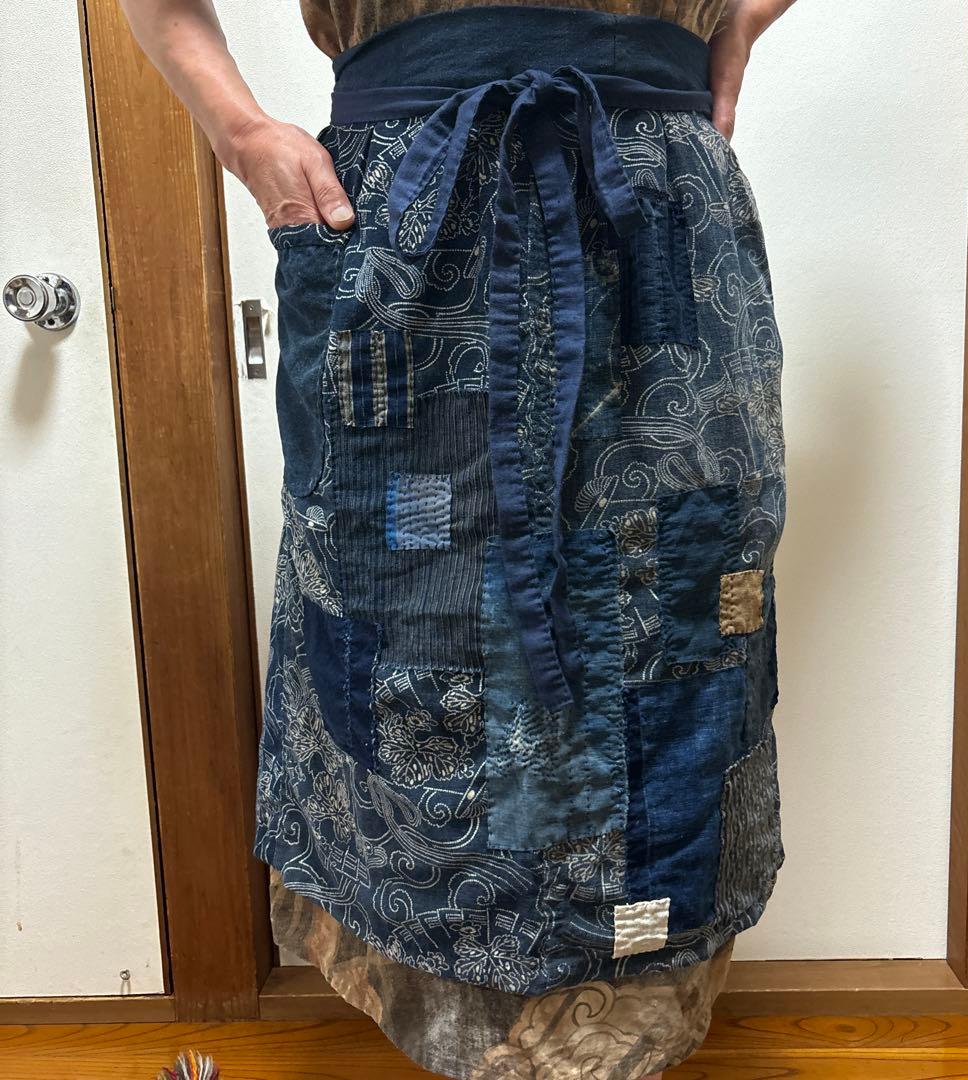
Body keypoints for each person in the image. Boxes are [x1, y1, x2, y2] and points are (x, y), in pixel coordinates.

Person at [121, 1, 797, 1076]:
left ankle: (622, 1004)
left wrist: (743, 19)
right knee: (401, 605)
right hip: (405, 218)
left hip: (656, 219)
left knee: (674, 610)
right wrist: (239, 132)